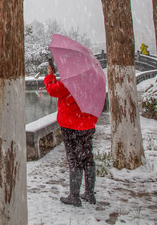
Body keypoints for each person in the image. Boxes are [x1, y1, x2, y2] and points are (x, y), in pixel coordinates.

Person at [44, 63, 98, 207]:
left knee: (74, 159)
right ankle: (90, 193)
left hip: (71, 125)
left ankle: (74, 196)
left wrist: (50, 75)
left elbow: (52, 90)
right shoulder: (91, 80)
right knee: (88, 158)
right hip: (87, 123)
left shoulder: (71, 80)